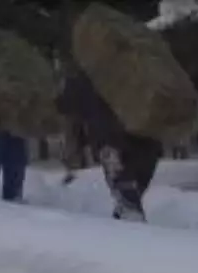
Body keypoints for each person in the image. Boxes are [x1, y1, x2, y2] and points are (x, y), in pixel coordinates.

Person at [55, 60, 162, 222]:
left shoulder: (90, 70)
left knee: (124, 185)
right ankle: (125, 219)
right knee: (133, 185)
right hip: (145, 139)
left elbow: (66, 103)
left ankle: (129, 220)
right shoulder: (144, 68)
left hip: (110, 139)